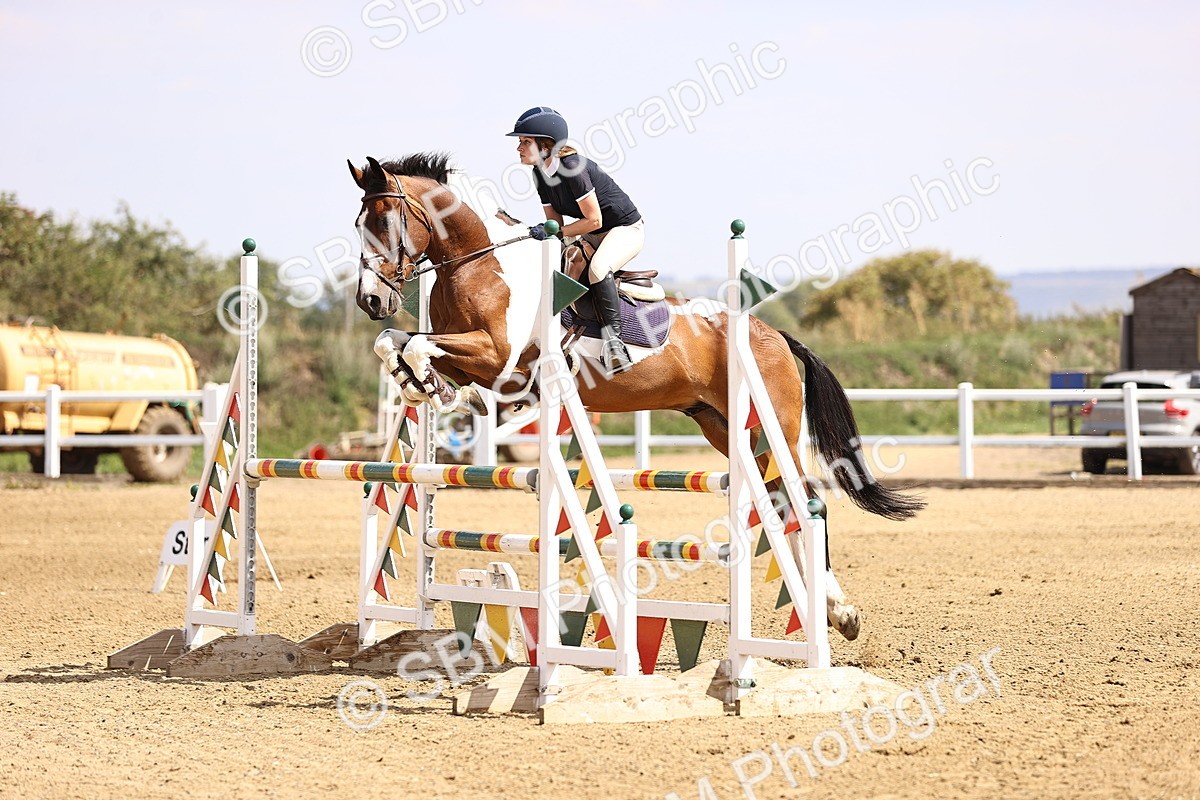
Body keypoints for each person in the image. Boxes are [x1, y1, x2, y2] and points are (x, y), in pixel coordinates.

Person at [507, 106, 643, 374]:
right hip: (591, 233)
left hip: (625, 229)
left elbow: (594, 220)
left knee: (597, 269)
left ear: (546, 145)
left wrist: (554, 232)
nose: (519, 148)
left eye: (525, 141)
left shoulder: (572, 167)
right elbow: (555, 223)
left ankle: (614, 343)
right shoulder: (539, 173)